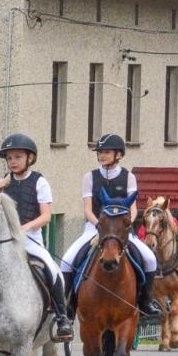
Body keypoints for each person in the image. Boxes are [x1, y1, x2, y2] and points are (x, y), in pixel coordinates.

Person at [60, 134, 160, 317]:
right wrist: (101, 226)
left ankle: (146, 301)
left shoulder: (128, 176)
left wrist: (125, 225)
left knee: (150, 258)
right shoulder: (89, 177)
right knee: (67, 260)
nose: (102, 156)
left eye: (106, 152)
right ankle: (68, 305)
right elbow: (88, 210)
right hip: (96, 227)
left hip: (121, 229)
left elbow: (133, 209)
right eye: (100, 152)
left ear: (118, 154)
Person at [0, 133, 72, 341]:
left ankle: (62, 317)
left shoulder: (39, 182)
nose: (12, 161)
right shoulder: (2, 183)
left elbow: (46, 216)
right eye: (9, 158)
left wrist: (23, 229)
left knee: (52, 270)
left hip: (30, 239)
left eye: (17, 157)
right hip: (2, 241)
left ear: (29, 158)